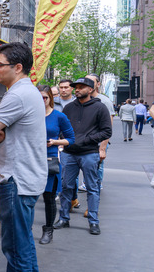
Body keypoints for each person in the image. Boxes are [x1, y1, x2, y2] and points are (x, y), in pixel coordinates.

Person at [0, 43, 45, 272]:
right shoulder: (28, 92)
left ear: (17, 68)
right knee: (23, 249)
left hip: (17, 181)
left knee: (16, 251)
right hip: (26, 179)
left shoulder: (17, 95)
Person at [55, 77, 112, 235]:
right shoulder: (69, 108)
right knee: (66, 187)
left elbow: (107, 131)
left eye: (81, 87)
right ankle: (64, 218)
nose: (77, 89)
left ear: (90, 89)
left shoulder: (100, 108)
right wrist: (63, 140)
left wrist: (87, 140)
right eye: (76, 87)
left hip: (89, 153)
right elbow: (62, 127)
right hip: (69, 153)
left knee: (92, 188)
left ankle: (93, 221)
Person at [36, 85, 74, 245]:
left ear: (50, 97)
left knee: (49, 198)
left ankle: (48, 230)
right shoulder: (31, 115)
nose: (41, 100)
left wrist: (55, 142)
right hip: (31, 160)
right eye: (38, 97)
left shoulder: (59, 116)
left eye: (44, 97)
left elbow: (71, 138)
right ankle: (25, 230)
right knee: (27, 197)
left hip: (50, 160)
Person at [85, 73, 114, 193]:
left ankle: (97, 185)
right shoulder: (82, 99)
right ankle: (88, 184)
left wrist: (103, 147)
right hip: (86, 139)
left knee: (98, 164)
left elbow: (108, 127)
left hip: (99, 140)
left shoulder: (104, 101)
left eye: (91, 81)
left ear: (98, 84)